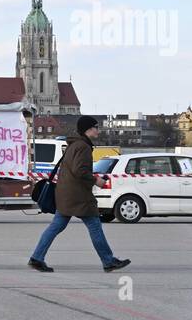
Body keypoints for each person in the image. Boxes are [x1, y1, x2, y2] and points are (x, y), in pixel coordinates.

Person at [29, 116, 130, 273]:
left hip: (66, 194)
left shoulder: (74, 144)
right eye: (96, 127)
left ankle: (36, 257)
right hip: (78, 196)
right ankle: (108, 261)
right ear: (88, 129)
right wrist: (96, 180)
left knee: (56, 226)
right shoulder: (83, 147)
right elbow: (80, 171)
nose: (98, 130)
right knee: (95, 225)